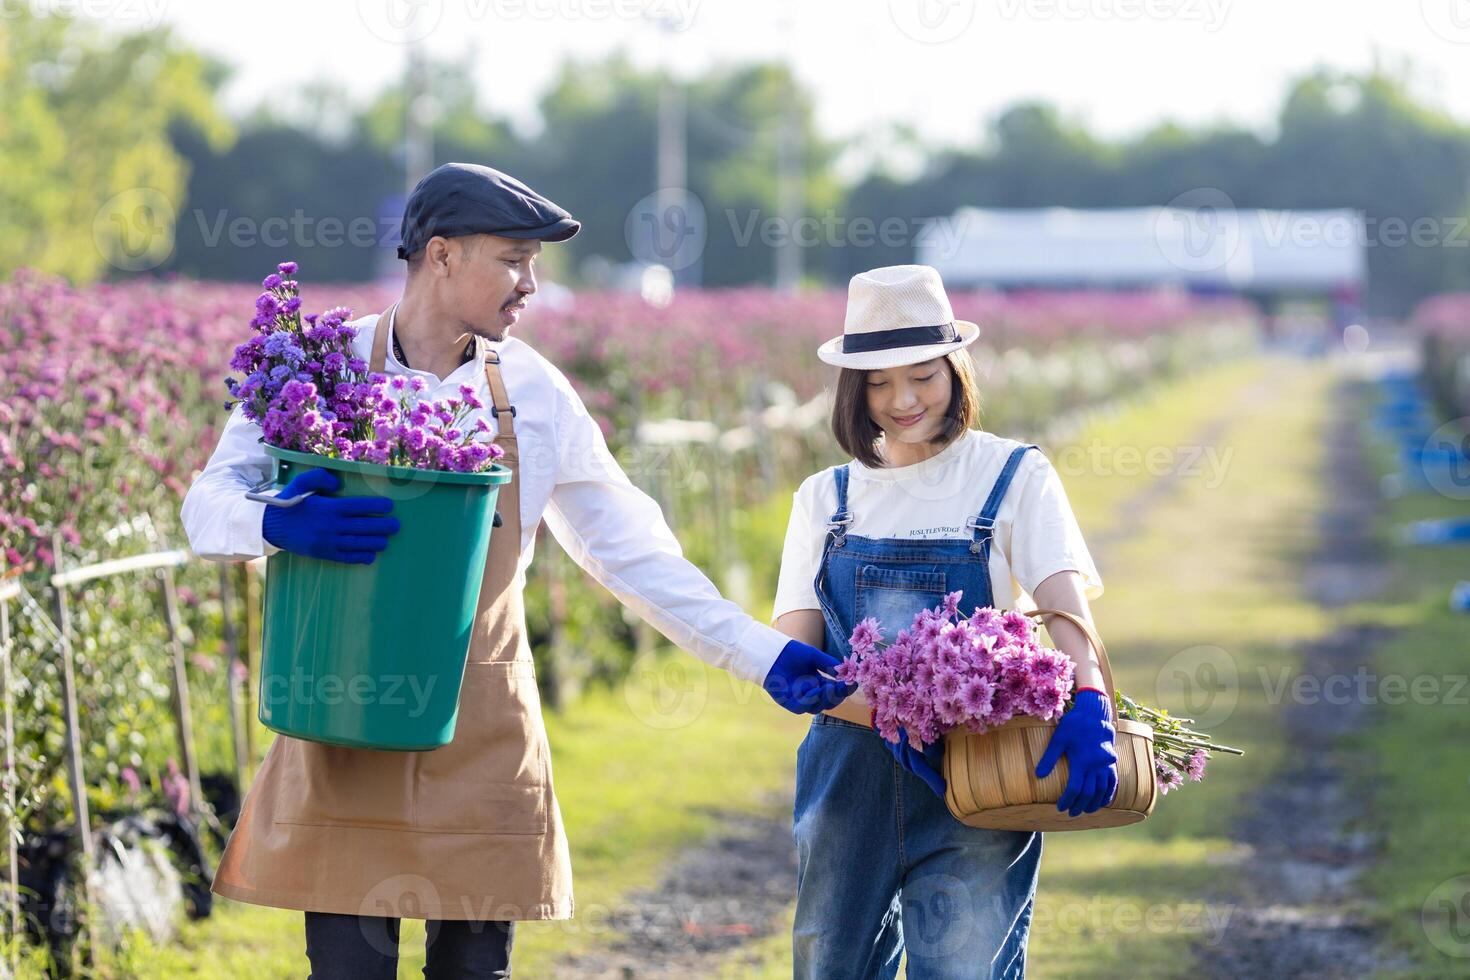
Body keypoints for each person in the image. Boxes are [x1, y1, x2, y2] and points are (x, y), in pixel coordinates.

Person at [180, 162, 852, 979]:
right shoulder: (318, 366)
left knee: (475, 972)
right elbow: (204, 508)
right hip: (346, 712)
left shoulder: (533, 390)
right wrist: (277, 523)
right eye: (513, 260)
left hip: (483, 726)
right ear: (441, 255)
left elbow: (629, 551)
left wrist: (761, 653)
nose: (531, 285)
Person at [770, 265, 1118, 978]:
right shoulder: (824, 498)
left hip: (983, 772)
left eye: (923, 376)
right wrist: (832, 694)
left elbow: (1063, 605)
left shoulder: (1013, 474)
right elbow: (797, 647)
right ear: (853, 390)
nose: (903, 400)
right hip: (849, 780)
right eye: (878, 382)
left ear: (956, 372)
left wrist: (1092, 700)